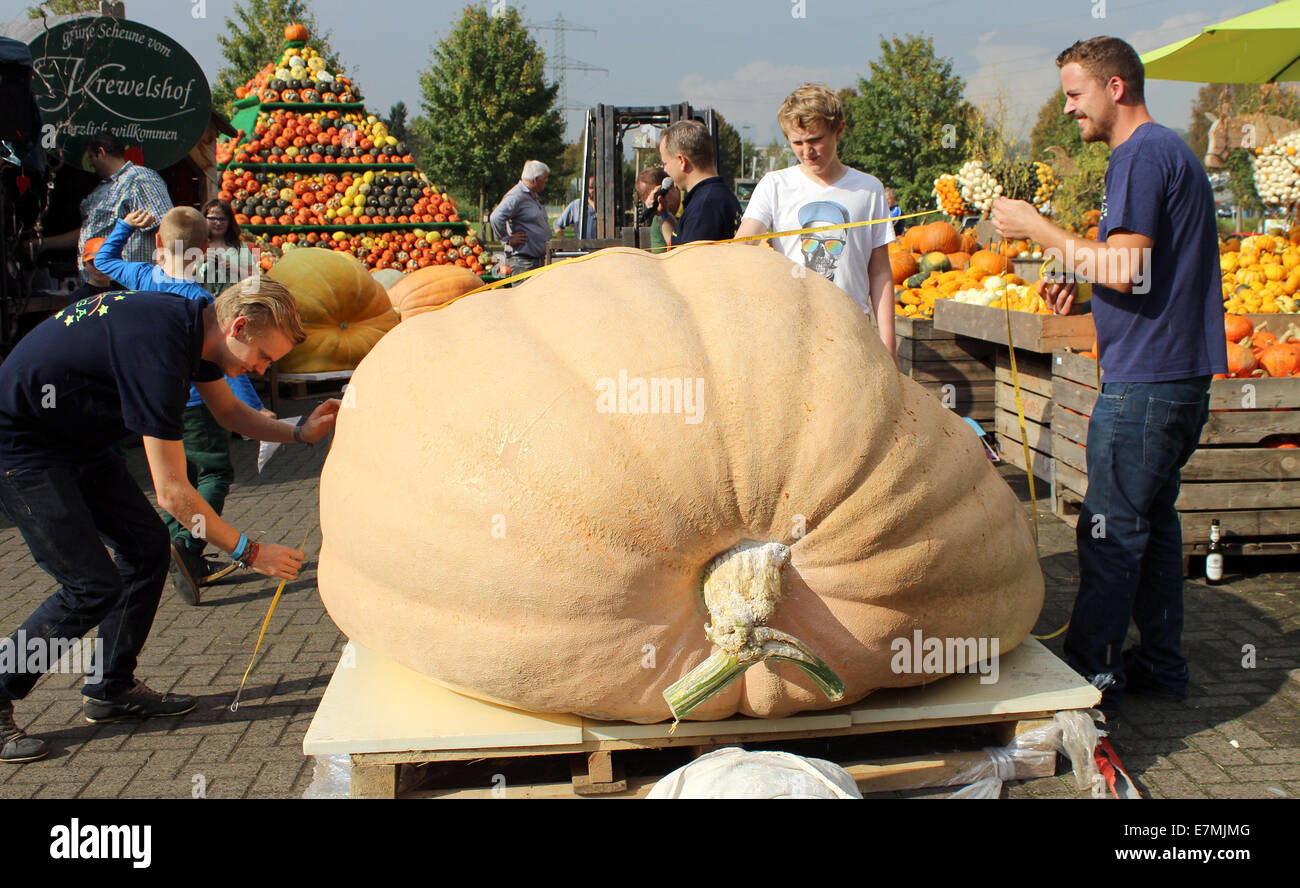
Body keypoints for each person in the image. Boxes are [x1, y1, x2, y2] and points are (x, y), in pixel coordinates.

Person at [0, 277, 338, 762]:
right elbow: (173, 494)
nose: (262, 368)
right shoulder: (160, 352)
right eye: (262, 356)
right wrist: (249, 552)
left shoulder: (195, 328)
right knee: (90, 587)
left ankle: (110, 689)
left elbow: (230, 413)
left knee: (146, 550)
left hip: (77, 443)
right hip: (24, 449)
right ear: (238, 326)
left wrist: (300, 432)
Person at [991, 36, 1227, 712]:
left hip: (1146, 384)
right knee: (1150, 522)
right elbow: (1141, 271)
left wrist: (1037, 227)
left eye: (1074, 94)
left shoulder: (1141, 155)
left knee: (1109, 528)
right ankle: (1160, 664)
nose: (1068, 110)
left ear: (1114, 87)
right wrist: (1087, 296)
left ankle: (1087, 675)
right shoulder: (1166, 152)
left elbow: (1126, 264)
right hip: (1175, 377)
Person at [95, 207, 273, 604]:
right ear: (206, 248)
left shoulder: (141, 276)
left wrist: (124, 227)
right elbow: (224, 363)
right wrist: (253, 408)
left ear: (158, 244)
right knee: (213, 473)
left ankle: (171, 547)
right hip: (195, 401)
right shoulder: (199, 302)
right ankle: (187, 546)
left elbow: (102, 260)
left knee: (170, 482)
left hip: (149, 401)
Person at [735, 83, 897, 360]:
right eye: (797, 143)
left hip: (853, 337)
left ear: (839, 130)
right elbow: (740, 247)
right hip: (792, 336)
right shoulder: (775, 185)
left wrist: (888, 345)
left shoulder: (868, 189)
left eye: (815, 140)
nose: (807, 151)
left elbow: (880, 272)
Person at [25, 131, 173, 282]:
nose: (90, 163)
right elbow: (90, 232)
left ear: (101, 152)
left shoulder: (140, 179)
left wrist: (164, 280)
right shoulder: (104, 188)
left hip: (127, 286)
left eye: (90, 157)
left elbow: (167, 226)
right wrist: (44, 244)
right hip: (99, 286)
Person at [655, 120, 740, 245]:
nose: (665, 170)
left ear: (681, 161)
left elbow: (687, 262)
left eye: (665, 163)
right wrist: (664, 214)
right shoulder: (717, 196)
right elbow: (678, 246)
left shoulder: (704, 208)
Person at [490, 160, 551, 274]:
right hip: (523, 262)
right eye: (545, 178)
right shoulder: (516, 196)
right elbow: (496, 217)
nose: (546, 181)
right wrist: (507, 239)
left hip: (536, 260)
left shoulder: (532, 196)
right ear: (535, 179)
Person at [197, 199, 258, 297]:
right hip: (201, 302)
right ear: (204, 219)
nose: (218, 223)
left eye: (223, 219)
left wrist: (235, 269)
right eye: (212, 218)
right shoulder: (196, 244)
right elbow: (183, 275)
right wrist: (201, 260)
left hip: (231, 301)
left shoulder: (239, 246)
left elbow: (255, 277)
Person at [634, 167, 681, 254]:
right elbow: (660, 259)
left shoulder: (691, 203)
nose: (659, 205)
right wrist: (664, 216)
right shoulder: (659, 220)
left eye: (658, 196)